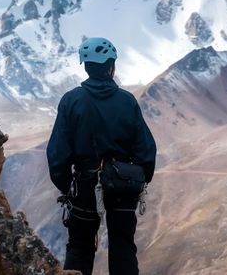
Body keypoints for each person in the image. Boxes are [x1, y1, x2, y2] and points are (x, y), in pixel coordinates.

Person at [46, 37, 157, 275]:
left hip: (85, 184)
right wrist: (138, 180)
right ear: (111, 66)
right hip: (123, 184)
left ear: (85, 66)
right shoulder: (127, 101)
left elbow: (57, 153)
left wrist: (68, 187)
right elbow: (146, 150)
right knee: (123, 246)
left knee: (80, 246)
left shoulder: (71, 100)